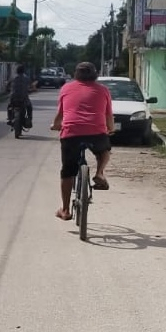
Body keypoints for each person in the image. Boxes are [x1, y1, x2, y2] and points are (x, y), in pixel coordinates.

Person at [50, 61, 113, 220]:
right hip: (96, 133)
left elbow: (61, 114)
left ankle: (65, 210)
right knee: (104, 151)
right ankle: (99, 173)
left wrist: (55, 125)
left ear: (75, 74)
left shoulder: (66, 88)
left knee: (67, 171)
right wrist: (110, 129)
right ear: (95, 74)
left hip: (71, 134)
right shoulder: (103, 90)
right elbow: (108, 117)